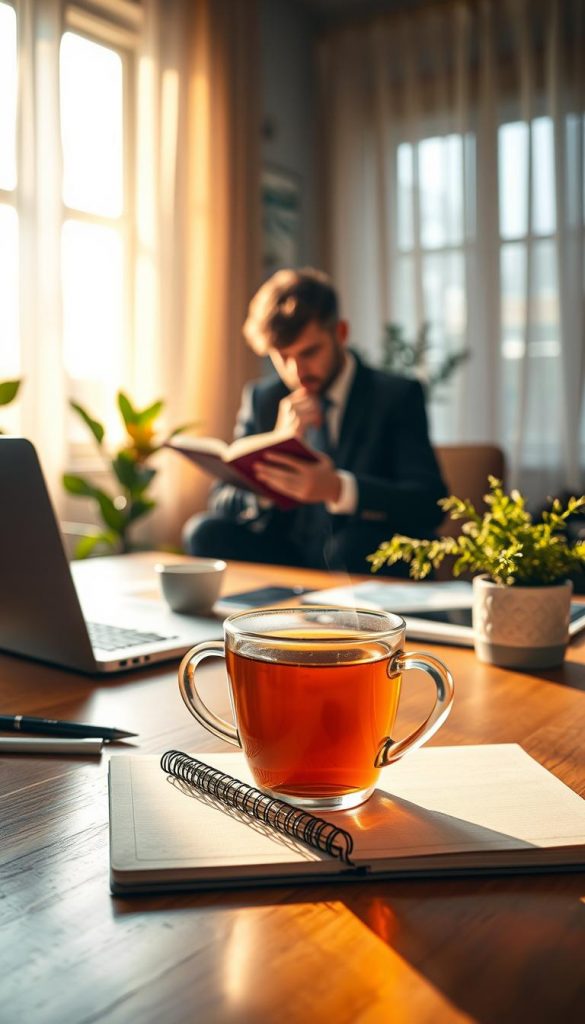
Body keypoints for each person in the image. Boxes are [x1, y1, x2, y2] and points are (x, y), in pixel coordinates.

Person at [183, 267, 447, 574]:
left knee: (350, 546)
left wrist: (337, 488)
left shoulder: (396, 395)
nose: (296, 371)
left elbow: (430, 504)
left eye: (309, 352)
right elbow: (221, 498)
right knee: (202, 532)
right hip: (288, 554)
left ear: (341, 333)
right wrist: (269, 474)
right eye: (282, 356)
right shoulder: (263, 399)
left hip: (361, 553)